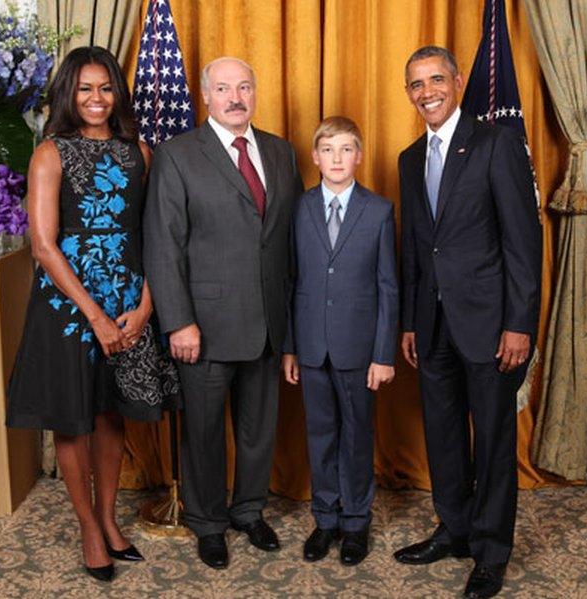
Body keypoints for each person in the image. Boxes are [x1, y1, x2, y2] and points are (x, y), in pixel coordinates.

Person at [6, 47, 160, 582]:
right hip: (69, 305)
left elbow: (154, 235)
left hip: (125, 297)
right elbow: (44, 245)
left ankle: (110, 519)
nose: (96, 99)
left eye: (106, 88)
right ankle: (89, 529)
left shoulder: (139, 150)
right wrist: (93, 313)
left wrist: (144, 306)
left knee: (112, 412)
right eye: (85, 89)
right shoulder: (50, 152)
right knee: (73, 420)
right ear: (68, 93)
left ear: (118, 92)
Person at [143, 56, 304, 570]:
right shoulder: (177, 155)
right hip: (204, 326)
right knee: (206, 431)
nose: (236, 97)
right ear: (206, 97)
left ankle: (249, 510)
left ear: (255, 94)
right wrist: (178, 320)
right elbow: (162, 244)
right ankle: (208, 522)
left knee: (259, 429)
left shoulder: (280, 153)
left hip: (268, 324)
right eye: (223, 88)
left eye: (244, 87)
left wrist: (295, 329)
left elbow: (291, 244)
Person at [393, 46, 541, 599]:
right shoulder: (410, 158)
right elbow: (415, 249)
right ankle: (453, 530)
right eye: (415, 84)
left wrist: (519, 323)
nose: (426, 91)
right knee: (444, 435)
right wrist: (409, 321)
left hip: (491, 323)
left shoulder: (496, 141)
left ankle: (491, 550)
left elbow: (523, 242)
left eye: (436, 79)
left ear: (456, 81)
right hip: (430, 325)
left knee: (495, 441)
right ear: (407, 92)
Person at [282, 116, 398, 566]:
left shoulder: (379, 210)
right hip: (311, 346)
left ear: (360, 156)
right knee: (320, 434)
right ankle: (325, 519)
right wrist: (291, 346)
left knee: (356, 435)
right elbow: (292, 281)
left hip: (359, 347)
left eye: (346, 149)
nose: (336, 158)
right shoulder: (299, 208)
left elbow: (389, 286)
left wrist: (383, 353)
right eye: (328, 149)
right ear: (314, 157)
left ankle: (355, 522)